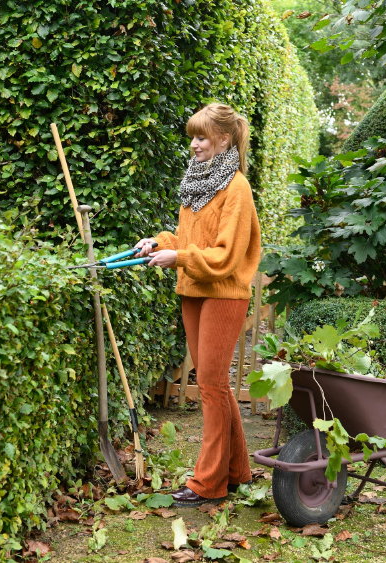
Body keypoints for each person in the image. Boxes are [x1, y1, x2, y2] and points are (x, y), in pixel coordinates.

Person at [135, 103, 261, 507]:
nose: (194, 144)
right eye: (193, 136)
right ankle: (238, 472)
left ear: (224, 139)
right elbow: (190, 239)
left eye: (202, 137)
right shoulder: (198, 182)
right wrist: (159, 243)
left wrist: (181, 257)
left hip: (224, 293)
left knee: (208, 386)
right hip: (193, 291)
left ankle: (208, 483)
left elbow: (224, 256)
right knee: (216, 385)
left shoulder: (237, 188)